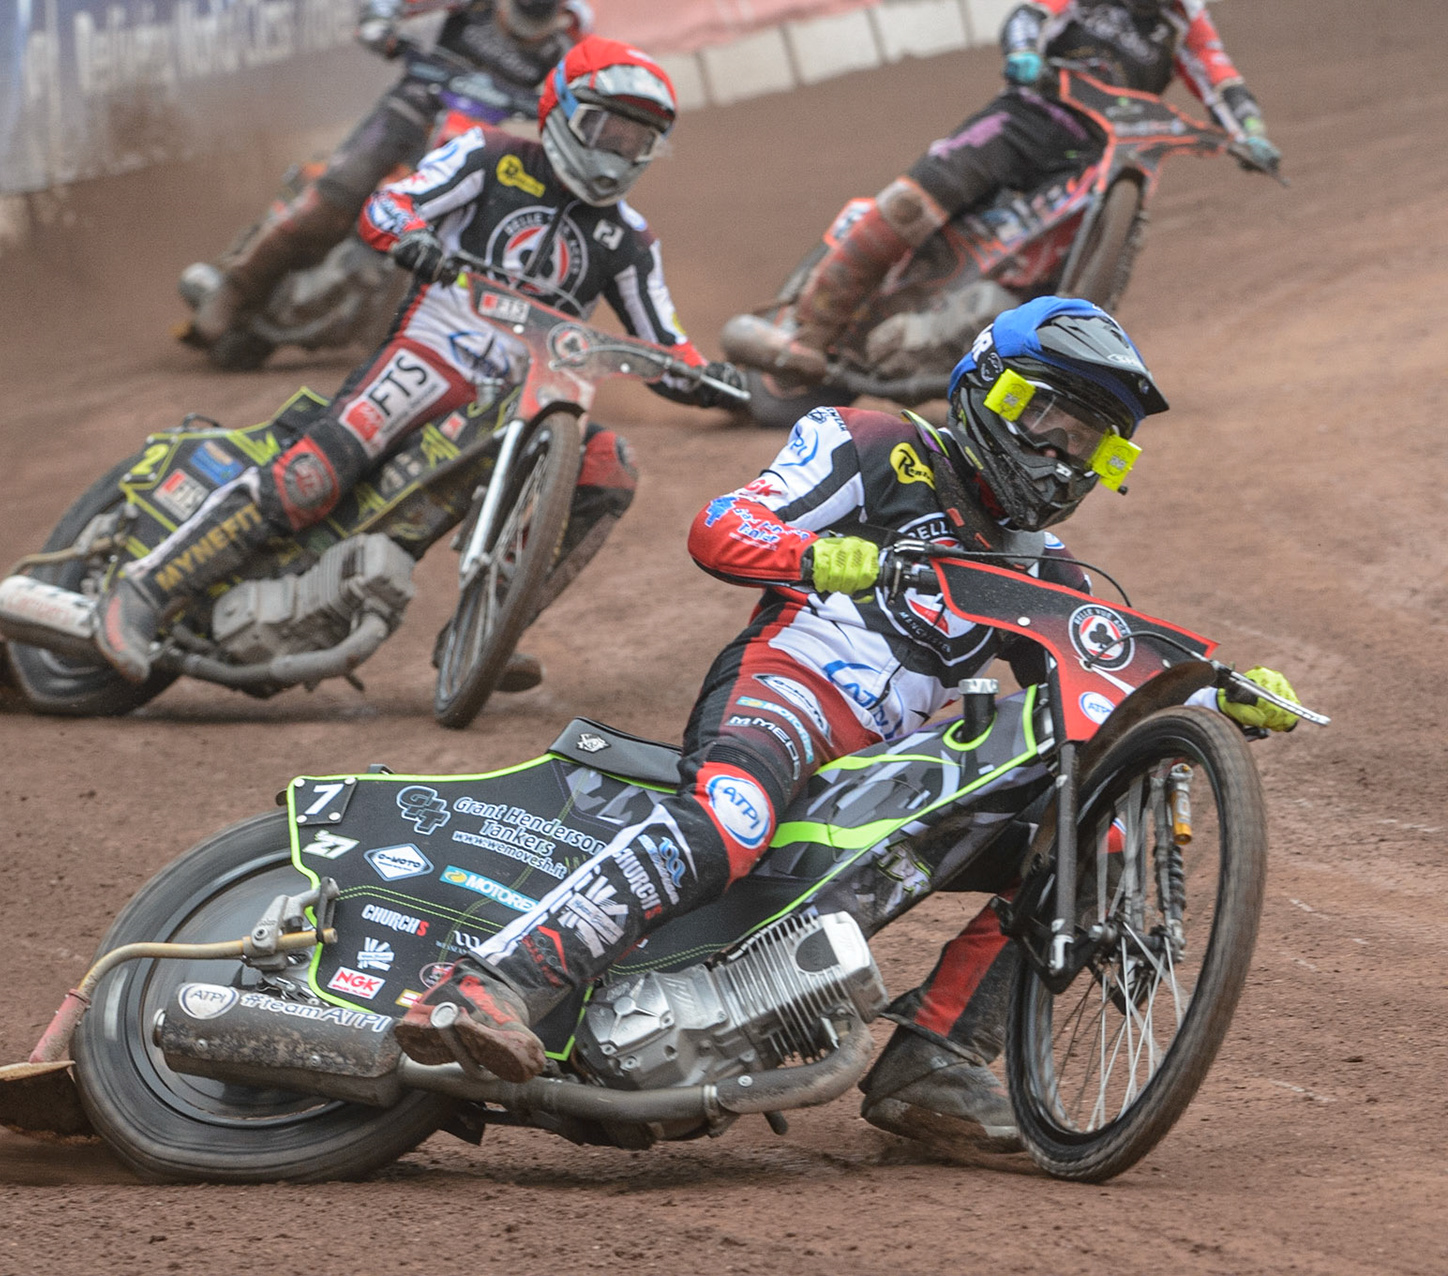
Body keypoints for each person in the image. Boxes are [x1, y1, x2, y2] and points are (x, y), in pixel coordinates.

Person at [397, 296, 1303, 1152]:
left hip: (889, 762)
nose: (1065, 459)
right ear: (993, 391)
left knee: (1085, 841)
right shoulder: (876, 442)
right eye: (1053, 424)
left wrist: (1213, 697)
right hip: (790, 686)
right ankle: (488, 983)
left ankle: (934, 1061)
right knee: (731, 817)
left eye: (1092, 445)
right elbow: (720, 529)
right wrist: (814, 554)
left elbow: (1107, 684)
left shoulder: (1044, 570)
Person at [96, 37, 745, 686]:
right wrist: (411, 239)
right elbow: (388, 205)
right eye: (608, 129)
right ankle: (145, 590)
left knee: (610, 467)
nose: (618, 153)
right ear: (564, 112)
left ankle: (489, 624)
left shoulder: (628, 240)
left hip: (521, 401)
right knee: (312, 478)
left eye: (637, 141)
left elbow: (666, 346)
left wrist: (708, 377)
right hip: (431, 355)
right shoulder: (490, 156)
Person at [780, 0, 1281, 377]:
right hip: (1027, 117)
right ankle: (815, 329)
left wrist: (1251, 132)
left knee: (1070, 255)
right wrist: (1022, 51)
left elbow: (1221, 77)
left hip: (1100, 151)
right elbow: (1030, 13)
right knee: (912, 204)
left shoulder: (1184, 20)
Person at [184, 0, 594, 360]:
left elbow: (590, 89)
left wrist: (569, 112)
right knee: (332, 200)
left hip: (470, 142)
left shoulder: (571, 33)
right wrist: (380, 24)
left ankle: (423, 326)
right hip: (411, 108)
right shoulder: (473, 6)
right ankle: (234, 289)